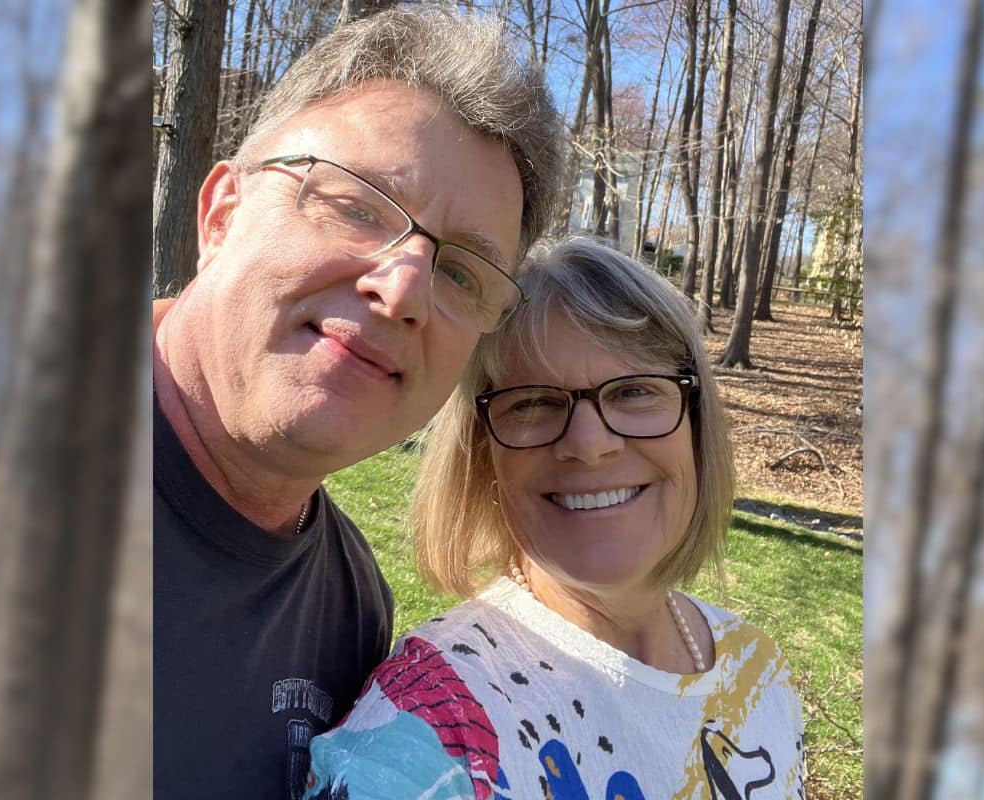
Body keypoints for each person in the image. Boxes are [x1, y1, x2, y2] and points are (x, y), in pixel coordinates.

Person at [152, 7, 564, 799]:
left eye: (461, 273)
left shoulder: (350, 611)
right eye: (356, 206)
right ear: (221, 215)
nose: (403, 289)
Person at [304, 238, 805, 799]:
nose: (589, 444)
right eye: (533, 402)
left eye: (635, 391)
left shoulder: (760, 671)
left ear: (696, 426)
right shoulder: (429, 732)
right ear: (482, 453)